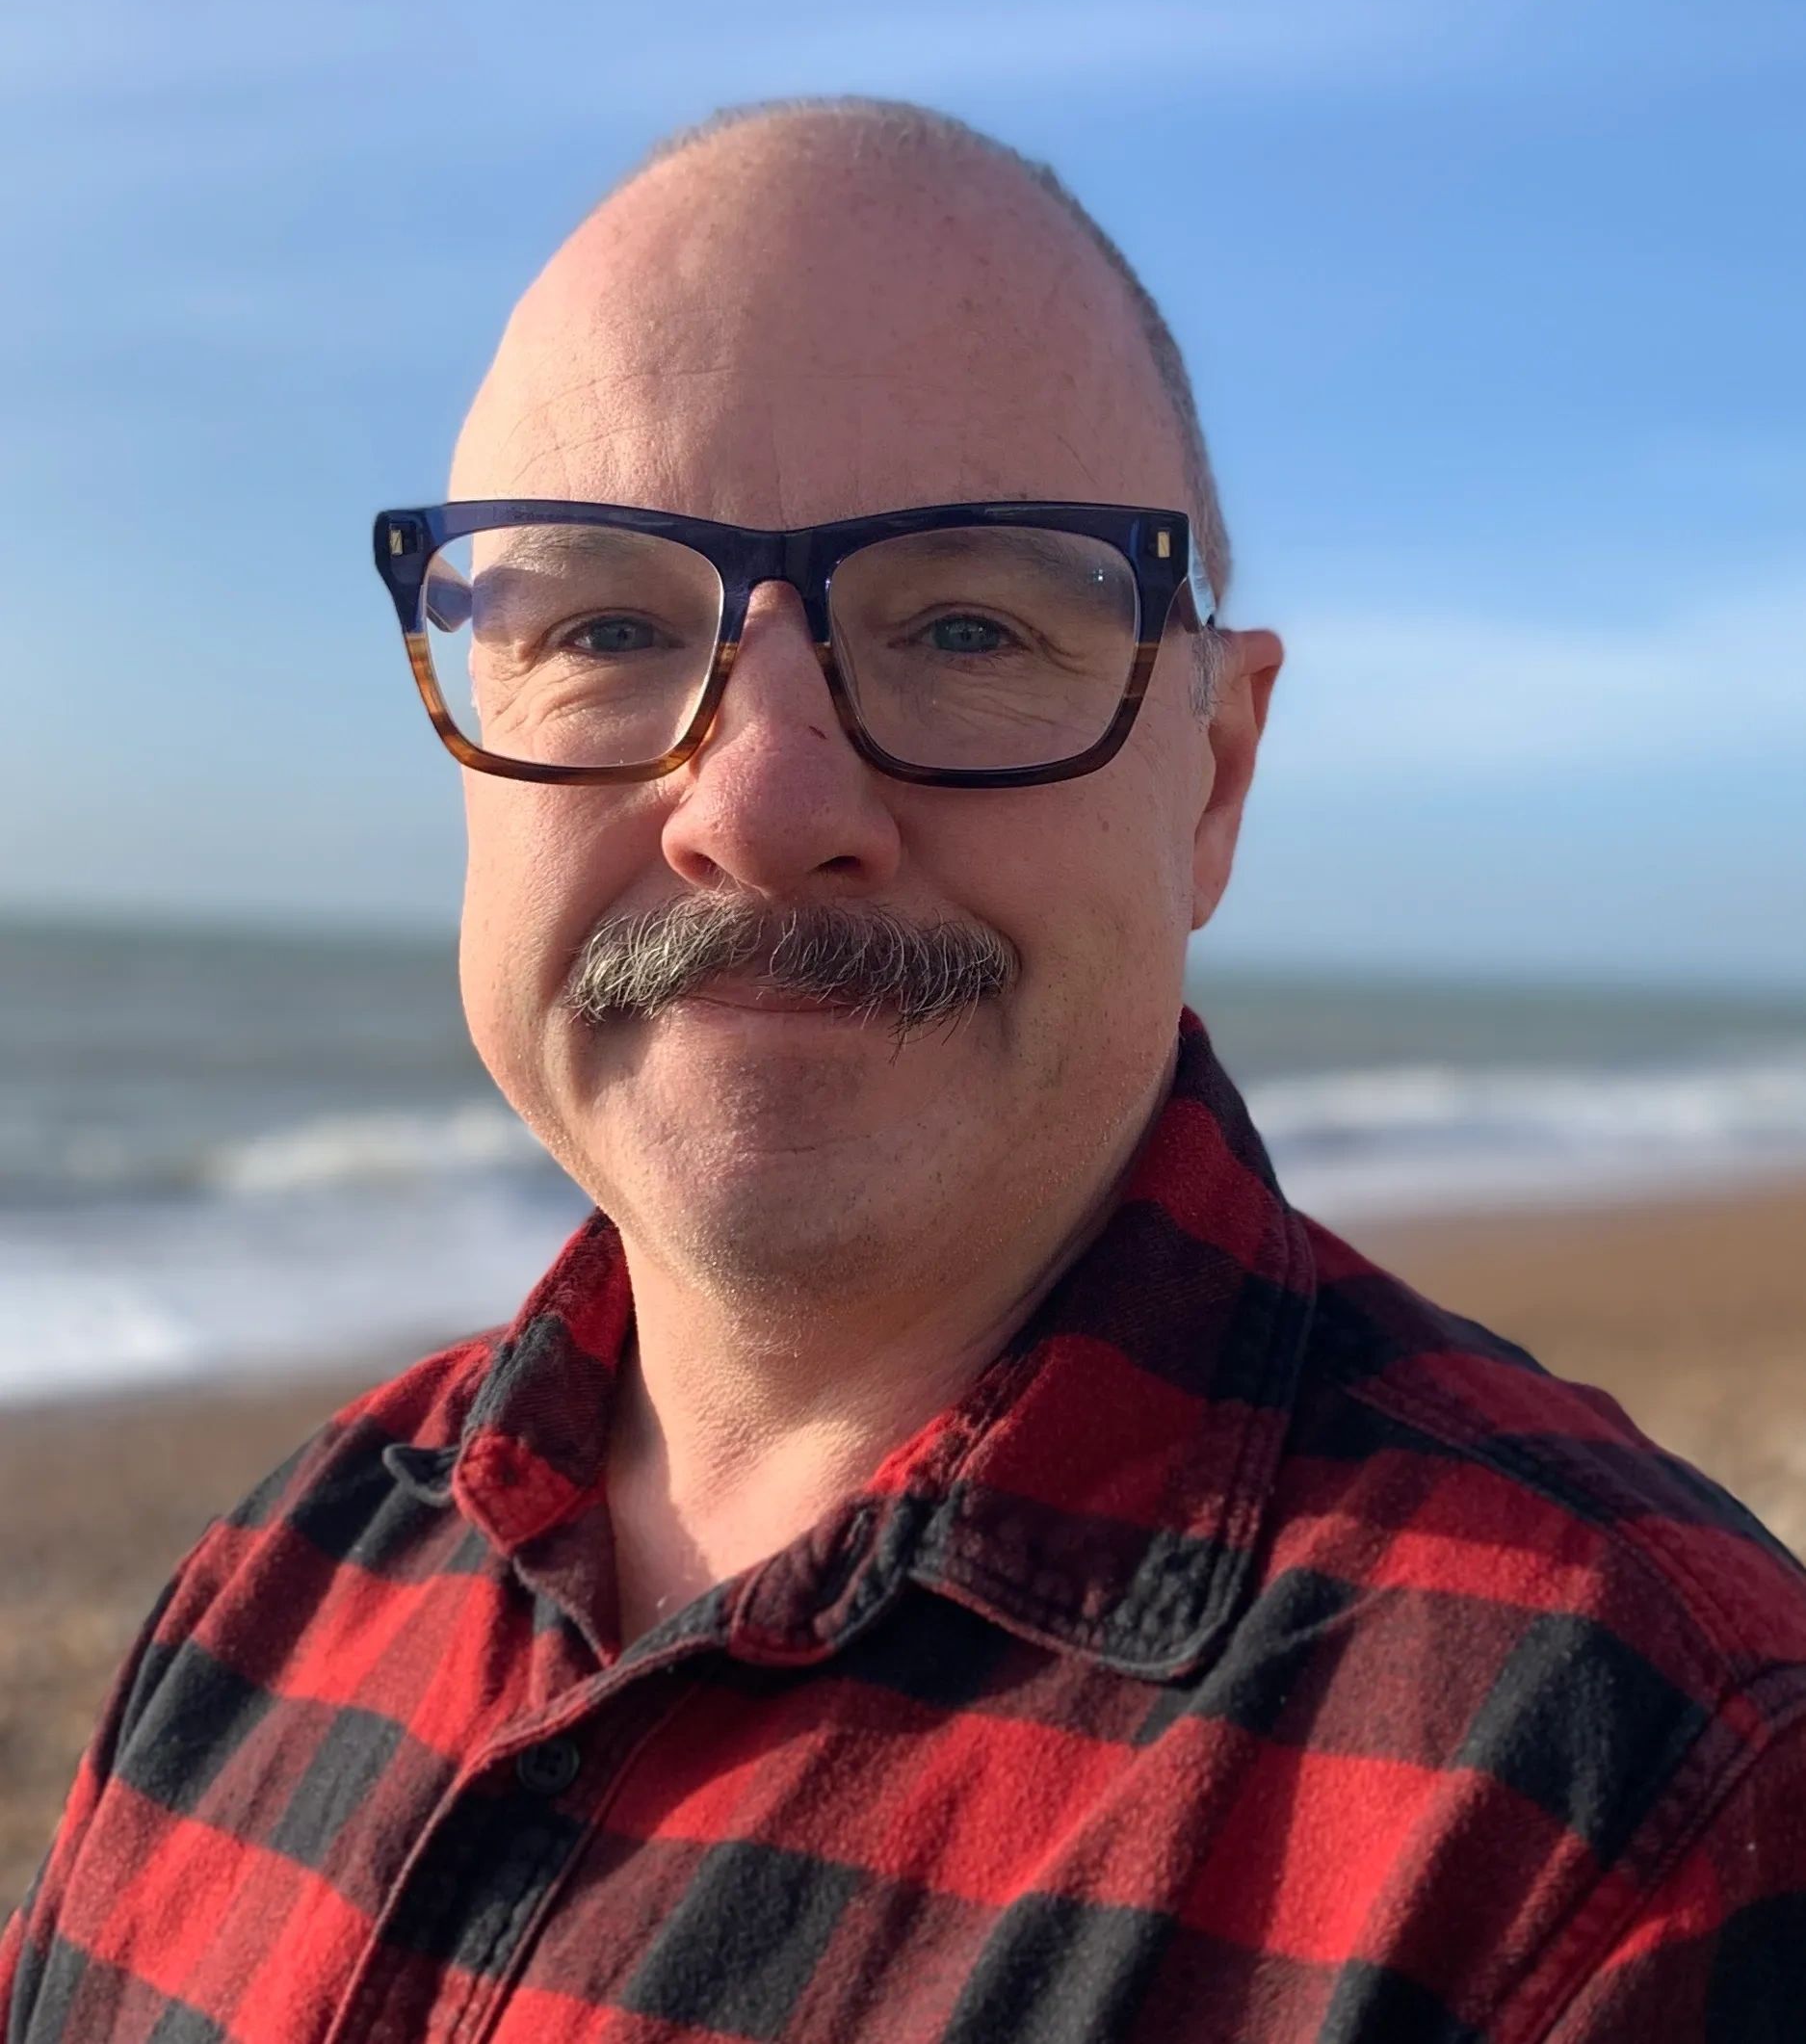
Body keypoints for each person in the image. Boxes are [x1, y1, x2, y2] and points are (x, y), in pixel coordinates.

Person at [5, 98, 1804, 2044]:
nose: (762, 807)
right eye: (603, 624)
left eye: (964, 624)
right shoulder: (272, 1584)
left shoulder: (1635, 1812)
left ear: (1209, 781)